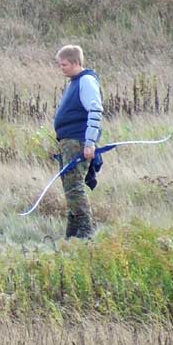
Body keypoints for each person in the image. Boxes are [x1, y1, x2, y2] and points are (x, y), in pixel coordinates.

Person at [53, 44, 103, 239]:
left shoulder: (87, 81)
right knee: (69, 187)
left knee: (75, 187)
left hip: (78, 142)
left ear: (75, 63)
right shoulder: (75, 81)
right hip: (68, 142)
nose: (61, 68)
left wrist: (89, 142)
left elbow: (95, 110)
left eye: (63, 64)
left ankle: (86, 233)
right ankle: (72, 235)